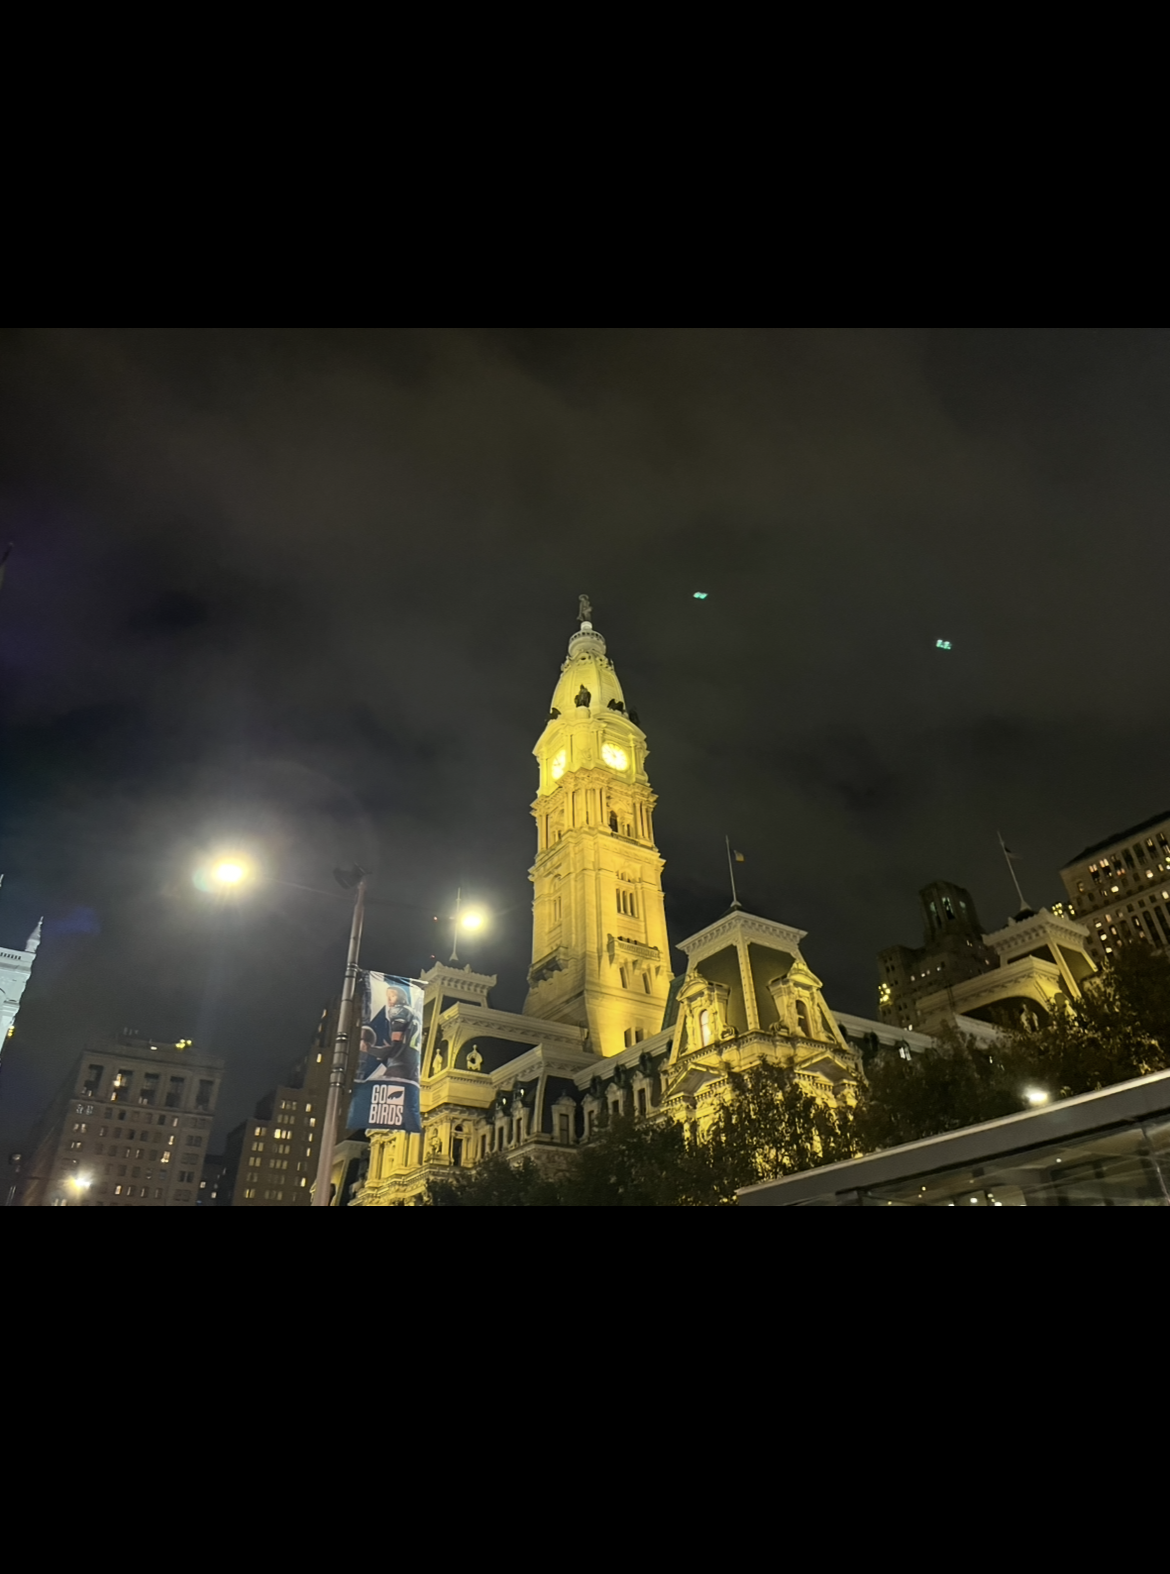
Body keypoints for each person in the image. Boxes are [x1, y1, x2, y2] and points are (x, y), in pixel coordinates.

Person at [363, 983, 421, 1085]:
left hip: (398, 1067)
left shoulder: (398, 1010)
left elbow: (396, 1047)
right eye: (388, 996)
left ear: (401, 997)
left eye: (393, 996)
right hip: (413, 1069)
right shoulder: (415, 1014)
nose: (389, 999)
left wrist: (369, 1049)